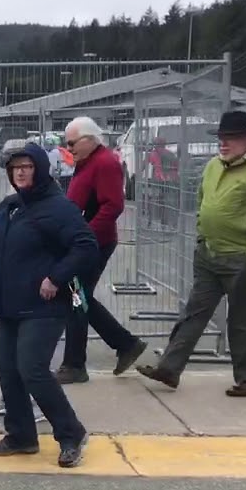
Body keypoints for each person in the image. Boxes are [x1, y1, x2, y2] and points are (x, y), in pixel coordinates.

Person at [136, 111, 246, 397]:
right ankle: (169, 368)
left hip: (240, 257)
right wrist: (202, 236)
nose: (224, 144)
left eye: (230, 139)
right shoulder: (214, 166)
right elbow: (204, 201)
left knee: (243, 321)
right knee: (193, 313)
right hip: (208, 254)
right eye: (221, 139)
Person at [0, 144, 99, 469]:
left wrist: (56, 278)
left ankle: (71, 433)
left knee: (32, 368)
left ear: (41, 169)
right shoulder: (9, 207)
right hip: (8, 305)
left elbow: (85, 246)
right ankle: (21, 435)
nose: (20, 172)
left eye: (27, 166)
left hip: (43, 306)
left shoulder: (58, 208)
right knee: (7, 368)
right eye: (15, 167)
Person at [57, 116, 147, 384]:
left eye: (72, 142)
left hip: (93, 244)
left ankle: (76, 363)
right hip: (87, 242)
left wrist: (85, 236)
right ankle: (123, 344)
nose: (69, 147)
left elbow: (113, 205)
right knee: (77, 296)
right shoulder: (88, 162)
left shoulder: (104, 163)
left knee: (75, 297)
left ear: (89, 139)